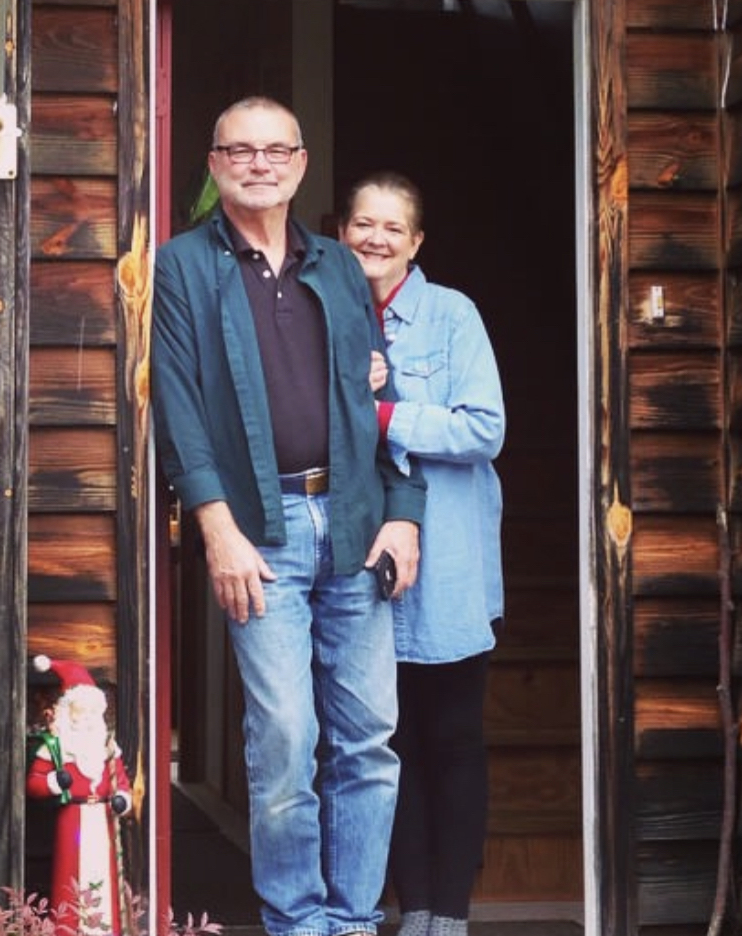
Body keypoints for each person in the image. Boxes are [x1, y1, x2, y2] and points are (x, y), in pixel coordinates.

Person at [151, 97, 427, 936]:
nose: (259, 164)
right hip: (260, 534)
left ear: (302, 164)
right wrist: (217, 528)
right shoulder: (182, 266)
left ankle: (352, 921)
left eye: (276, 150)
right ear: (215, 163)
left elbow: (378, 393)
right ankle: (299, 923)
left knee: (368, 740)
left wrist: (404, 513)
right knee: (283, 741)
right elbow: (177, 405)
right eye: (241, 150)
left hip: (354, 523)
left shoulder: (339, 265)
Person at [339, 172, 505, 936]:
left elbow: (484, 429)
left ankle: (451, 915)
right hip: (355, 563)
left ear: (416, 242)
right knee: (384, 744)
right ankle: (413, 912)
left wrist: (385, 414)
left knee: (453, 738)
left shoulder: (452, 315)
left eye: (393, 227)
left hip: (448, 565)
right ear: (343, 232)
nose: (376, 238)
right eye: (363, 224)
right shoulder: (328, 313)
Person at [27, 655, 134, 936]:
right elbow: (34, 784)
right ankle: (69, 929)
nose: (86, 719)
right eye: (79, 712)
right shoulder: (57, 747)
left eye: (91, 713)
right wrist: (54, 782)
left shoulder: (107, 747)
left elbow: (121, 782)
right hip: (72, 819)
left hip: (103, 820)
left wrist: (122, 800)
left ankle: (106, 929)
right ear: (67, 713)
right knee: (71, 872)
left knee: (104, 874)